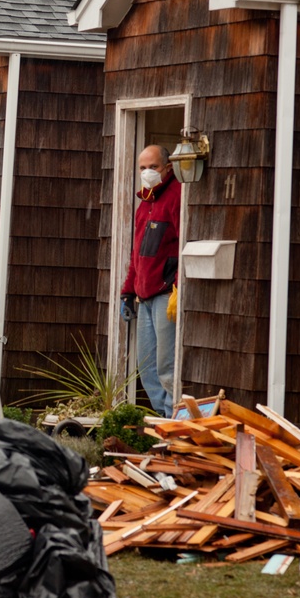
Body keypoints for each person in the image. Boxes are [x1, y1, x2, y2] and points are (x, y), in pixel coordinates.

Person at [120, 145, 181, 418]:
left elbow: (184, 244)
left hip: (165, 294)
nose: (147, 173)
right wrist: (127, 291)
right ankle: (161, 415)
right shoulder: (145, 202)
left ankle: (172, 419)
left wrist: (178, 286)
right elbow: (137, 254)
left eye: (153, 167)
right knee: (146, 366)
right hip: (142, 296)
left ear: (167, 167)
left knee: (167, 366)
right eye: (142, 168)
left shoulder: (177, 196)